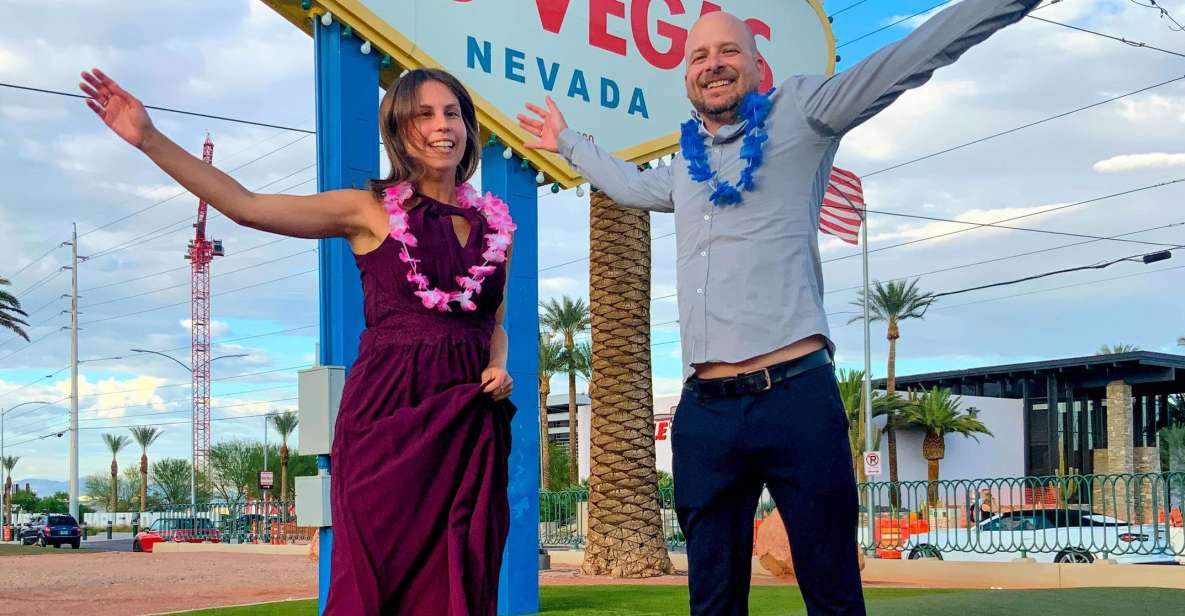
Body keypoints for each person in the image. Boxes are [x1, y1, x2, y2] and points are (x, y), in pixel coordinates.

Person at [518, 2, 1040, 614]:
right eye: (699, 57)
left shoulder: (803, 113)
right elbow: (628, 186)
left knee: (833, 596)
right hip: (705, 415)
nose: (714, 65)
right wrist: (568, 142)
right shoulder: (685, 168)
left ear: (758, 68)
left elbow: (908, 58)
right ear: (687, 78)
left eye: (728, 52)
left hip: (795, 398)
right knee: (712, 604)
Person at [81, 66, 516, 615]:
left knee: (461, 580)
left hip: (466, 425)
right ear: (399, 131)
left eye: (451, 112)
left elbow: (492, 322)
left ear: (469, 127)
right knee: (374, 585)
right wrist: (148, 138)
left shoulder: (498, 229)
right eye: (422, 115)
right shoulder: (368, 211)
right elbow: (248, 207)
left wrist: (499, 364)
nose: (440, 126)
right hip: (386, 421)